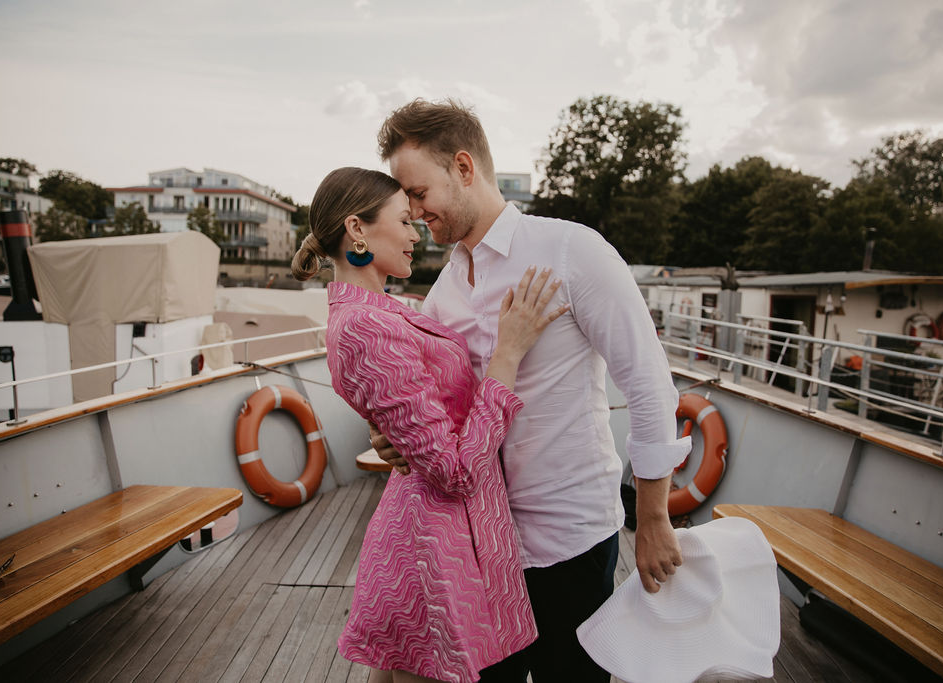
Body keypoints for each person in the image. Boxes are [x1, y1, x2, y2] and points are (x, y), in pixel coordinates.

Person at [372, 99, 692, 682]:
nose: (415, 213)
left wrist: (651, 519)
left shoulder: (573, 253)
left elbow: (648, 385)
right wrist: (403, 440)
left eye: (419, 193)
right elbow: (453, 411)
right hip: (479, 546)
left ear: (464, 168)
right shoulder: (443, 291)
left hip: (570, 538)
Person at [291, 167, 569, 683]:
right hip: (432, 553)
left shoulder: (382, 310)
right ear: (357, 229)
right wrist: (507, 354)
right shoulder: (365, 326)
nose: (416, 232)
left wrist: (394, 433)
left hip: (439, 538)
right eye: (403, 220)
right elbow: (455, 470)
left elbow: (419, 415)